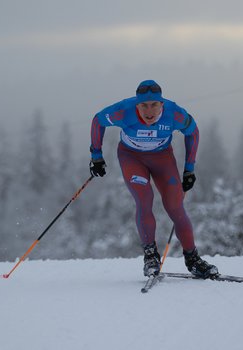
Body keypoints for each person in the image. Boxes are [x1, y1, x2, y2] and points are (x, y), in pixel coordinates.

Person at [89, 79, 218, 278]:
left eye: (154, 105)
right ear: (136, 104)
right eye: (143, 105)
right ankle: (151, 256)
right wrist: (96, 156)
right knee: (144, 199)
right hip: (132, 158)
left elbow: (192, 131)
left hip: (162, 158)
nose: (149, 111)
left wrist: (189, 169)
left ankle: (193, 260)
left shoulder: (174, 114)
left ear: (162, 104)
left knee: (175, 206)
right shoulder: (124, 111)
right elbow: (98, 120)